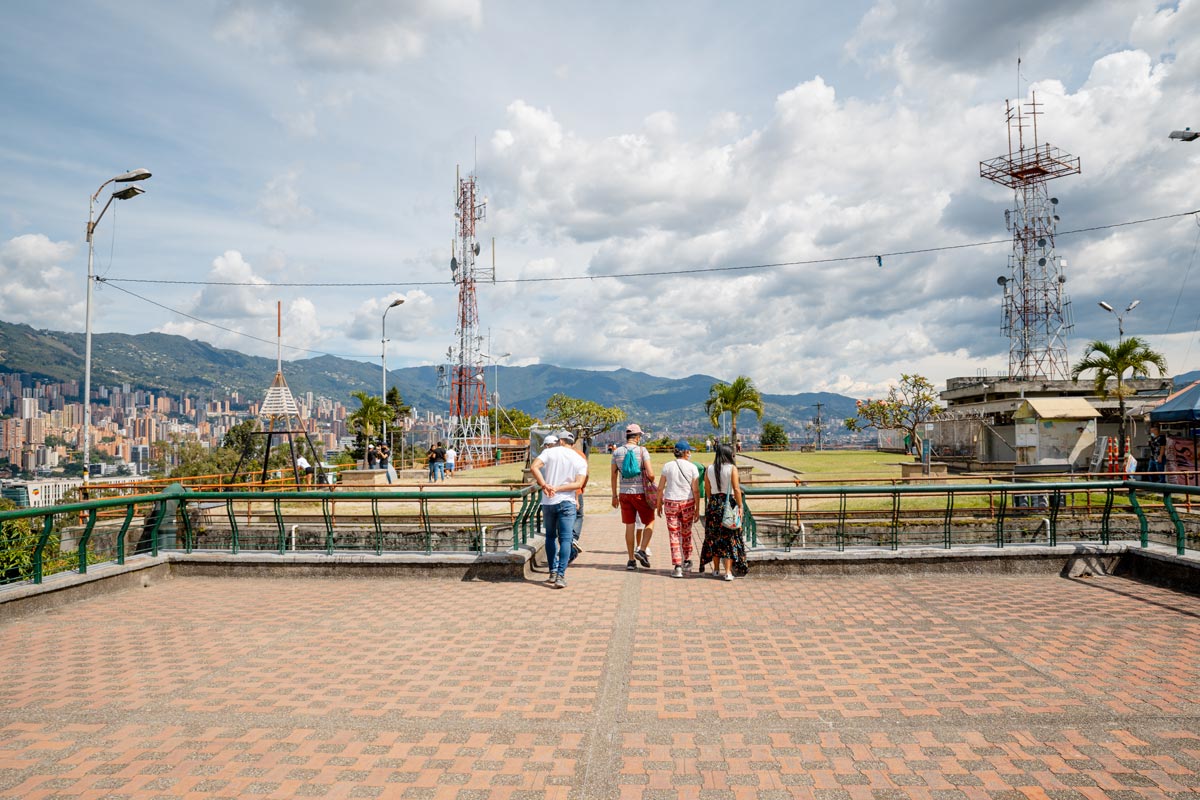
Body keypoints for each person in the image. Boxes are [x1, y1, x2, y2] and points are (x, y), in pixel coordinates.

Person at [530, 432, 587, 588]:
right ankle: (561, 575)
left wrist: (545, 485)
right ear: (572, 442)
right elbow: (578, 484)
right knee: (566, 539)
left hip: (548, 501)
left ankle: (552, 571)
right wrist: (560, 488)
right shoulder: (579, 458)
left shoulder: (549, 452)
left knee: (550, 537)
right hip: (567, 501)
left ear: (560, 441)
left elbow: (534, 467)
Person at [611, 423, 656, 571]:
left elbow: (613, 475)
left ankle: (631, 560)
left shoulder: (617, 452)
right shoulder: (642, 451)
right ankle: (642, 549)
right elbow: (650, 474)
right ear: (637, 437)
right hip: (640, 493)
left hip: (624, 494)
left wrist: (614, 495)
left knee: (629, 526)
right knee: (650, 520)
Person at [700, 443, 745, 581]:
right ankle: (727, 572)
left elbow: (707, 489)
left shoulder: (709, 469)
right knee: (729, 538)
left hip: (714, 504)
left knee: (714, 538)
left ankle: (715, 569)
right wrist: (740, 506)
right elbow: (736, 489)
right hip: (728, 505)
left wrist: (712, 503)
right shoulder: (732, 468)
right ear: (728, 454)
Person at [657, 439, 700, 578]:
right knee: (686, 533)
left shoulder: (667, 466)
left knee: (674, 534)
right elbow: (696, 490)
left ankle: (677, 566)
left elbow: (660, 487)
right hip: (687, 503)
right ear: (686, 452)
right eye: (689, 451)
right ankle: (687, 560)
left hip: (670, 503)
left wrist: (659, 504)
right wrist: (697, 509)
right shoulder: (692, 467)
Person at [559, 431, 587, 563]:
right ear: (573, 442)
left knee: (561, 522)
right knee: (578, 516)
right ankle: (573, 539)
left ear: (561, 441)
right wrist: (582, 488)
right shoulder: (580, 455)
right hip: (576, 490)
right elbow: (586, 475)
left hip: (558, 493)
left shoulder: (556, 454)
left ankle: (568, 548)